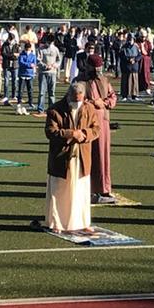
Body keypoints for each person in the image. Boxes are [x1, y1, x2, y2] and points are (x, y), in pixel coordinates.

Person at [42, 83, 100, 233]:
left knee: (81, 190)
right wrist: (70, 134)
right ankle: (57, 223)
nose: (77, 103)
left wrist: (84, 134)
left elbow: (96, 129)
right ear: (68, 96)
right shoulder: (55, 109)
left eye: (80, 100)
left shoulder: (89, 108)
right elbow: (50, 132)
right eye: (74, 101)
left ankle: (83, 221)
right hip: (61, 157)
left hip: (82, 156)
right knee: (60, 190)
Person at [77, 54, 118, 204]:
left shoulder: (104, 80)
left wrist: (105, 103)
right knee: (88, 155)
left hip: (103, 123)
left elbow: (113, 97)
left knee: (103, 155)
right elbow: (75, 99)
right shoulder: (80, 81)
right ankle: (86, 189)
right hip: (86, 123)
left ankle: (104, 188)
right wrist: (92, 103)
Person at [36, 34, 62, 114]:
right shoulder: (41, 49)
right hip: (43, 73)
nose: (49, 44)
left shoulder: (55, 49)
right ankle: (40, 109)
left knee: (52, 92)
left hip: (52, 73)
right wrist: (45, 66)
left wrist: (54, 65)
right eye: (48, 42)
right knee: (42, 92)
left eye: (51, 42)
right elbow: (38, 60)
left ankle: (51, 108)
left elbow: (59, 60)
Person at [17, 42, 37, 115]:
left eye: (29, 49)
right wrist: (29, 65)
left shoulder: (33, 55)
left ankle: (30, 102)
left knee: (30, 89)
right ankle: (19, 102)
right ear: (25, 48)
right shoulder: (21, 55)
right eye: (27, 49)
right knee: (21, 90)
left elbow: (34, 64)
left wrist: (30, 65)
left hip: (30, 74)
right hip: (22, 74)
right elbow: (21, 63)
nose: (28, 50)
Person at [120, 35, 141, 101]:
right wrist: (128, 60)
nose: (130, 41)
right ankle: (124, 95)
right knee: (125, 81)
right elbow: (121, 55)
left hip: (134, 66)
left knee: (134, 81)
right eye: (129, 39)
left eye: (131, 40)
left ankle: (134, 95)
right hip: (126, 66)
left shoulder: (136, 47)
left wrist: (135, 60)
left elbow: (139, 55)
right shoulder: (123, 47)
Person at [1, 34, 20, 105]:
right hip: (6, 65)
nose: (11, 40)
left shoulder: (16, 45)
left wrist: (14, 55)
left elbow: (18, 55)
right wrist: (12, 54)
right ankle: (6, 95)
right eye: (10, 39)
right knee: (6, 81)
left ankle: (14, 95)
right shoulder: (4, 45)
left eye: (12, 39)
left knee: (15, 80)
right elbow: (3, 54)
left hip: (15, 65)